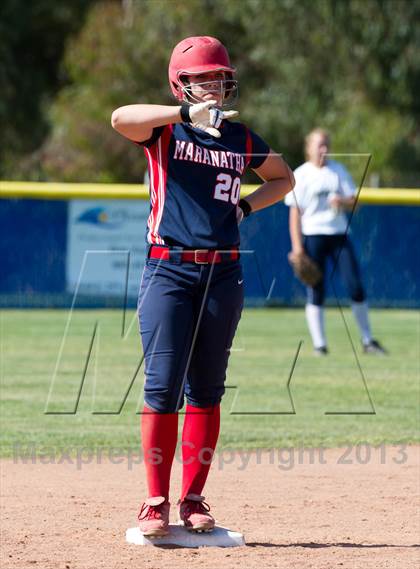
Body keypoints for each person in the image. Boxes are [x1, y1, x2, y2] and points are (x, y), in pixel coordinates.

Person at [111, 36, 295, 536]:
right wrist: (180, 116)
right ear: (181, 85)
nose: (214, 84)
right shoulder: (165, 132)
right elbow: (120, 118)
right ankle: (154, 501)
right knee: (161, 386)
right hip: (169, 270)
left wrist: (246, 206)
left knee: (207, 389)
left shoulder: (239, 137)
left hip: (223, 272)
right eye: (202, 78)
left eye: (219, 77)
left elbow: (283, 178)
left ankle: (193, 499)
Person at [285, 128, 387, 356]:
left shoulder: (337, 171)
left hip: (339, 235)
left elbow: (355, 202)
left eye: (326, 144)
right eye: (319, 144)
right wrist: (297, 247)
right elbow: (294, 214)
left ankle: (368, 340)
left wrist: (342, 201)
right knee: (316, 289)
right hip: (313, 235)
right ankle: (319, 345)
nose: (324, 149)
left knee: (355, 286)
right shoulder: (301, 174)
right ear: (309, 147)